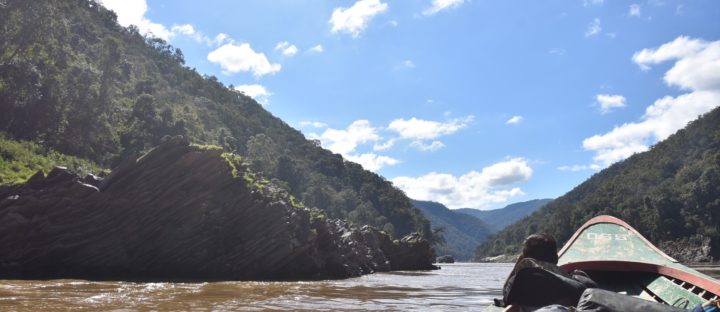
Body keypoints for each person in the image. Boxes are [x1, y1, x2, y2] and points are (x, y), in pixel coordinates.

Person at [499, 234, 595, 312]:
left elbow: (506, 294)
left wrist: (518, 263)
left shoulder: (521, 280)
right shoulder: (570, 281)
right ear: (556, 258)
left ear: (525, 257)